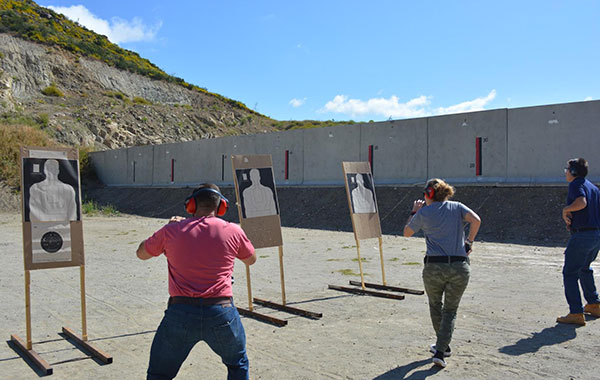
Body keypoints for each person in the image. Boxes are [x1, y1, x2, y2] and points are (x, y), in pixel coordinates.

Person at [136, 184, 257, 380]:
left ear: (191, 205)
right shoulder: (233, 230)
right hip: (221, 311)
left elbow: (141, 253)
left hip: (180, 312)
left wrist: (168, 228)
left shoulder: (171, 230)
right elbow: (251, 259)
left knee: (159, 374)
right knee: (238, 364)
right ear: (221, 207)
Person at [403, 179, 481, 368]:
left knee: (435, 305)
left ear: (429, 194)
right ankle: (442, 348)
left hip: (434, 268)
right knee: (450, 311)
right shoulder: (457, 206)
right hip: (459, 266)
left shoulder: (423, 213)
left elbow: (406, 232)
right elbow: (476, 220)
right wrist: (469, 242)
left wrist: (415, 211)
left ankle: (441, 349)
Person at [557, 158, 600, 326]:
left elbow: (581, 202)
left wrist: (566, 209)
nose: (565, 172)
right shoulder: (593, 187)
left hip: (582, 236)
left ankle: (575, 312)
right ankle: (594, 304)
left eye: (567, 169)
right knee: (584, 268)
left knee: (570, 273)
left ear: (573, 172)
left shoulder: (576, 184)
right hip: (596, 235)